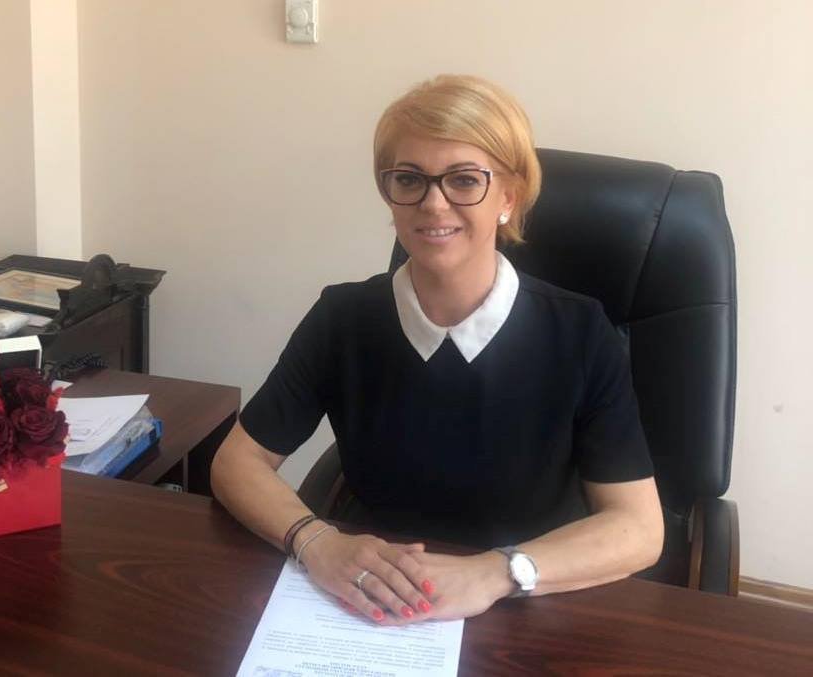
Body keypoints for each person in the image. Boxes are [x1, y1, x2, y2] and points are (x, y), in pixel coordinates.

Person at [211, 74, 664, 625]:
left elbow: (639, 528)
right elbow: (238, 462)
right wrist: (317, 541)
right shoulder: (343, 317)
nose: (433, 203)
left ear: (509, 196)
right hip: (371, 602)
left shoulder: (581, 332)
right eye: (409, 179)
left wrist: (496, 572)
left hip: (530, 606)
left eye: (464, 180)